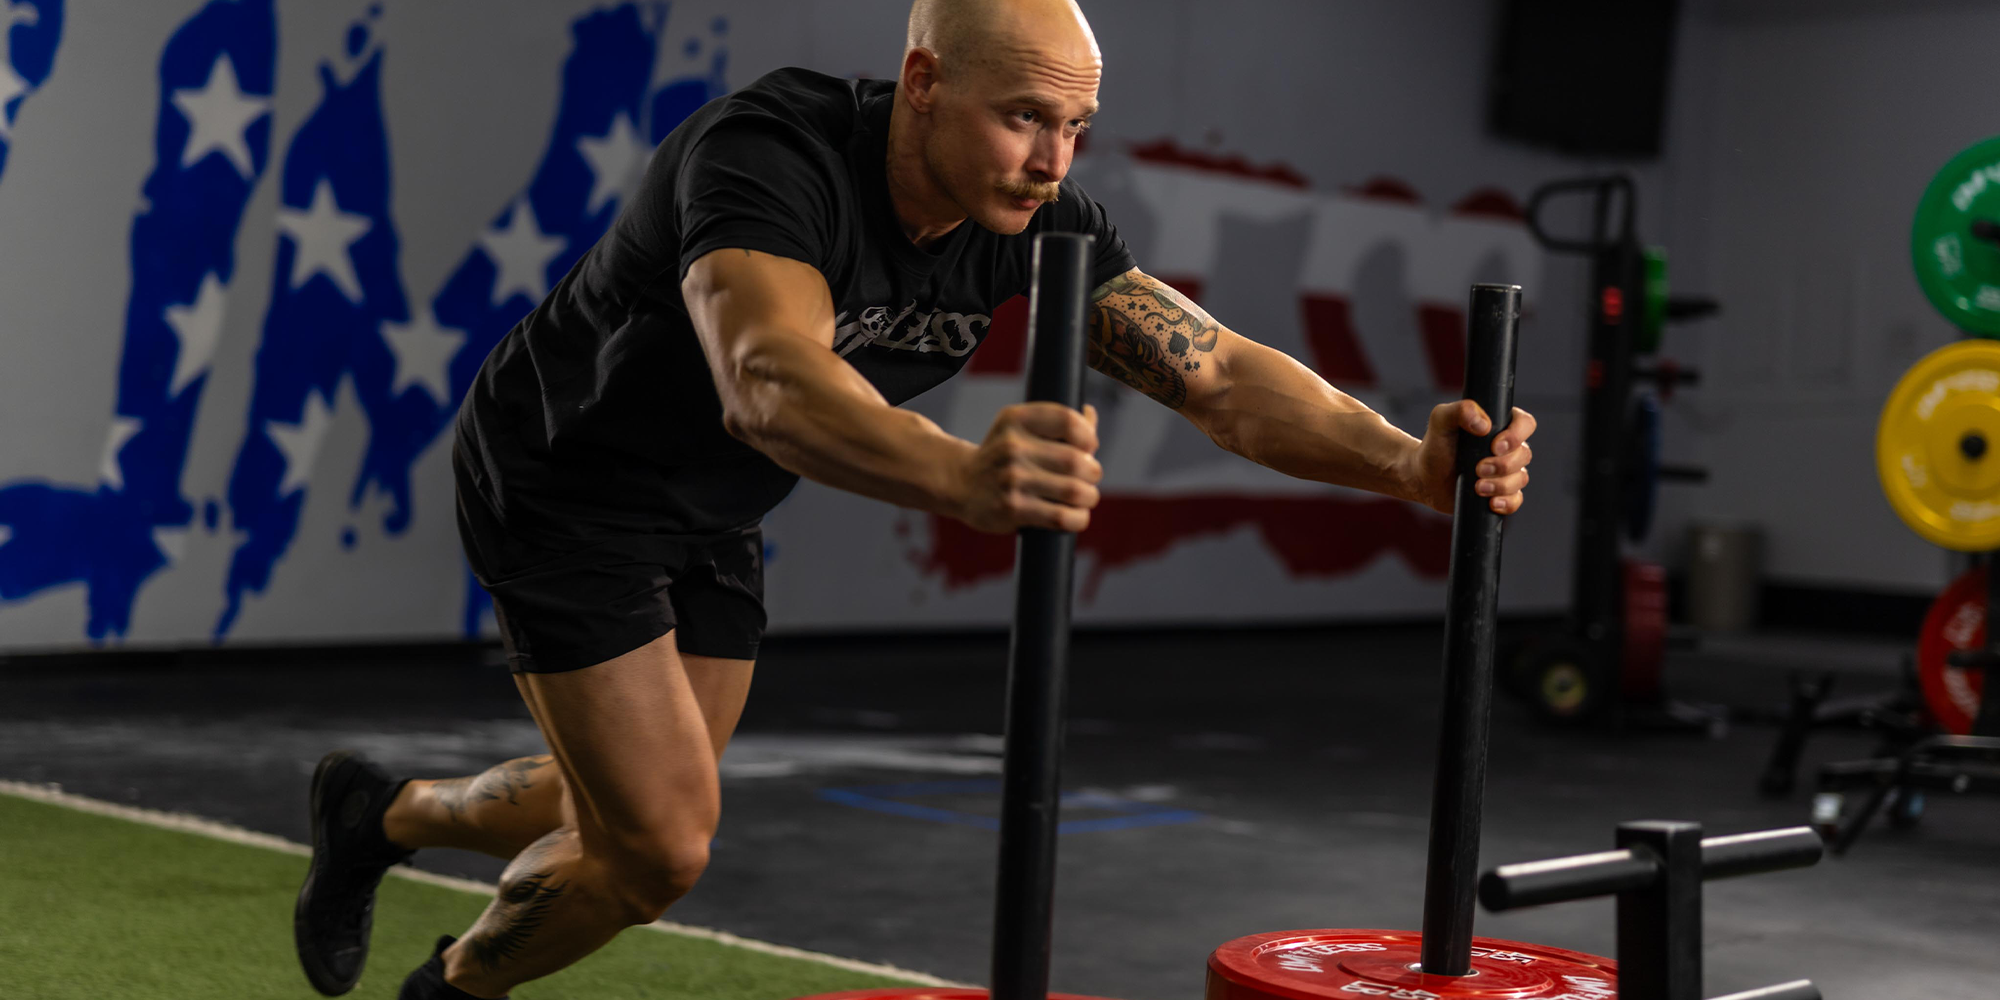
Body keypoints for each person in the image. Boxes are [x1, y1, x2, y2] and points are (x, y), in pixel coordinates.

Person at [293, 1, 1540, 997]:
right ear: (925, 83)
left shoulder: (1035, 220)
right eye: (1021, 120)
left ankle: (379, 816)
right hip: (565, 478)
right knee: (660, 846)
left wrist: (1400, 464)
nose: (1051, 159)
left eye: (1074, 128)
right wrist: (959, 472)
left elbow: (1214, 373)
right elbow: (769, 381)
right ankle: (450, 988)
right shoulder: (768, 157)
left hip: (713, 506)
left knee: (606, 793)